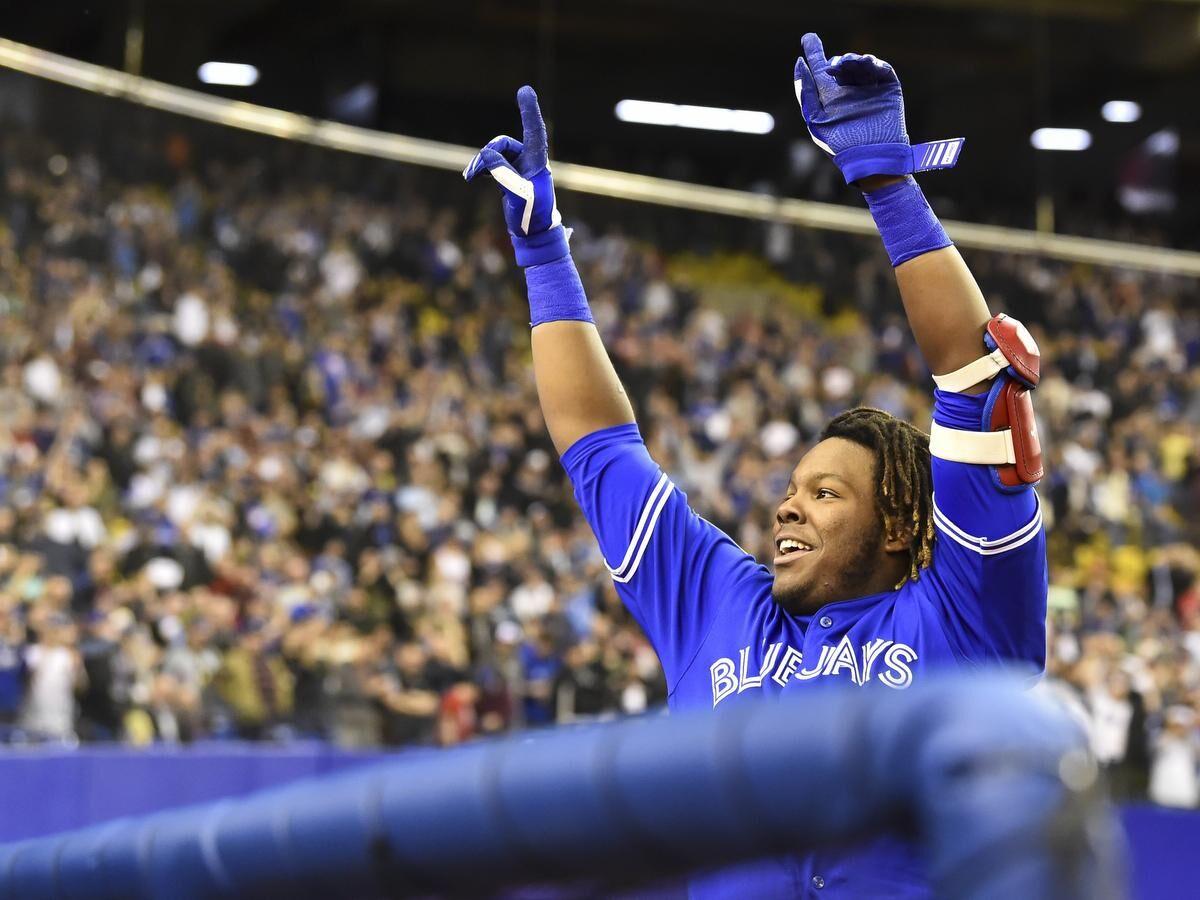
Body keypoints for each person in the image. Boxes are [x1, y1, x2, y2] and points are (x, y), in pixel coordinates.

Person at [466, 31, 1048, 898]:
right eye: (788, 491)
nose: (785, 510)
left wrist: (888, 185)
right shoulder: (719, 608)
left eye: (823, 493)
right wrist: (547, 261)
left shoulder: (966, 618)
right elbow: (599, 447)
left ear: (899, 524)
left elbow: (973, 374)